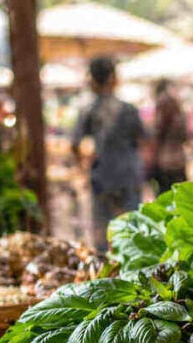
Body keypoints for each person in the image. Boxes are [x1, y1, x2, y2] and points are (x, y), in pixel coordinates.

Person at [71, 57, 145, 251]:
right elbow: (143, 140)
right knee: (132, 232)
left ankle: (105, 266)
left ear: (92, 81)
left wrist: (83, 166)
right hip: (129, 174)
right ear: (113, 79)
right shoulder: (129, 110)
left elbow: (75, 143)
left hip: (102, 176)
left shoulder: (89, 111)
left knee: (102, 235)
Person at [150, 78, 188, 193]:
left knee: (166, 194)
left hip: (166, 160)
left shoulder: (163, 102)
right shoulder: (176, 105)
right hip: (178, 159)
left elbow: (158, 131)